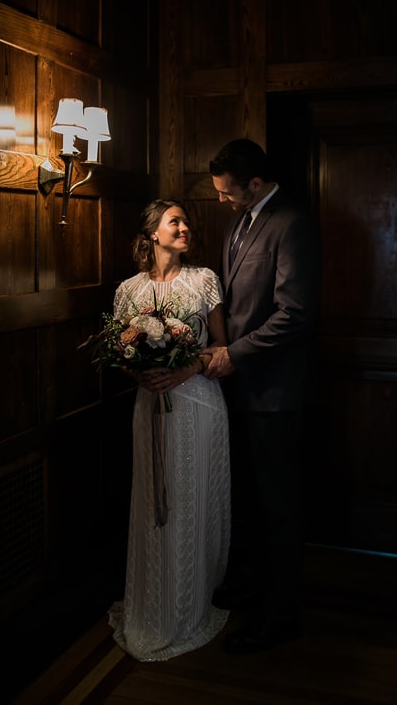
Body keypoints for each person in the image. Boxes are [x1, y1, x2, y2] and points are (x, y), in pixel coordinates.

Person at [203, 138, 321, 655]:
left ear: (255, 183)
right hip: (240, 390)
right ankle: (252, 589)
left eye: (229, 192)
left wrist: (234, 353)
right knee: (248, 501)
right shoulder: (238, 222)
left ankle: (280, 616)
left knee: (279, 508)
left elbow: (294, 313)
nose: (223, 201)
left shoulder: (291, 223)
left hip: (275, 392)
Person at [108, 198, 231, 661]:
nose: (184, 227)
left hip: (198, 401)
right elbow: (121, 350)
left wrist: (184, 370)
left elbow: (220, 345)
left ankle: (189, 605)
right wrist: (139, 373)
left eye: (186, 221)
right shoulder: (129, 290)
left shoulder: (204, 280)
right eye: (173, 221)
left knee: (191, 499)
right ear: (152, 233)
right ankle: (152, 606)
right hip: (150, 406)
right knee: (153, 502)